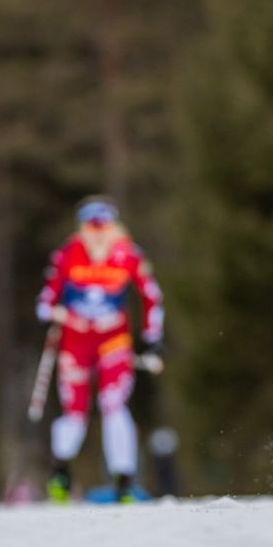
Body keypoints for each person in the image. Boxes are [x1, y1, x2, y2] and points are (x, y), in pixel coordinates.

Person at [36, 195, 164, 503]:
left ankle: (124, 479)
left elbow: (151, 296)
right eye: (90, 226)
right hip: (75, 341)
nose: (97, 233)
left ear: (114, 226)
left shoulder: (128, 254)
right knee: (75, 410)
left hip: (113, 340)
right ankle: (61, 471)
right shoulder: (67, 254)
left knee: (114, 404)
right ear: (81, 228)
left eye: (103, 225)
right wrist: (56, 315)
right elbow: (44, 302)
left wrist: (153, 337)